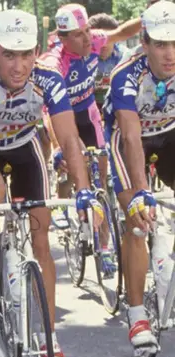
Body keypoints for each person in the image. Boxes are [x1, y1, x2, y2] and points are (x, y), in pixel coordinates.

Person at [0, 10, 103, 357]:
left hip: (25, 148)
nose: (18, 65)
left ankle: (50, 338)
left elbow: (69, 138)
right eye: (9, 55)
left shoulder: (49, 79)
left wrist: (84, 192)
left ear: (37, 52)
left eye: (26, 55)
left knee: (42, 237)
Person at [105, 0, 175, 357]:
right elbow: (132, 137)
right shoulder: (126, 74)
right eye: (161, 44)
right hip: (130, 139)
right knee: (137, 219)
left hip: (170, 133)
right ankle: (136, 315)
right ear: (144, 43)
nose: (170, 54)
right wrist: (140, 193)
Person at [42, 4, 140, 240]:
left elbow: (124, 33)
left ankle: (104, 243)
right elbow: (47, 113)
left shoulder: (94, 40)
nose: (87, 38)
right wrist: (57, 146)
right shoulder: (54, 62)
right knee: (76, 168)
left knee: (102, 179)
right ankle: (68, 205)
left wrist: (151, 17)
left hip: (87, 112)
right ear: (63, 38)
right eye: (78, 34)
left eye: (87, 30)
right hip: (62, 117)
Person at [88, 14, 129, 109]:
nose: (103, 44)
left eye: (108, 38)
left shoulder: (126, 56)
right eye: (98, 40)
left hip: (118, 104)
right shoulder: (82, 57)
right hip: (89, 106)